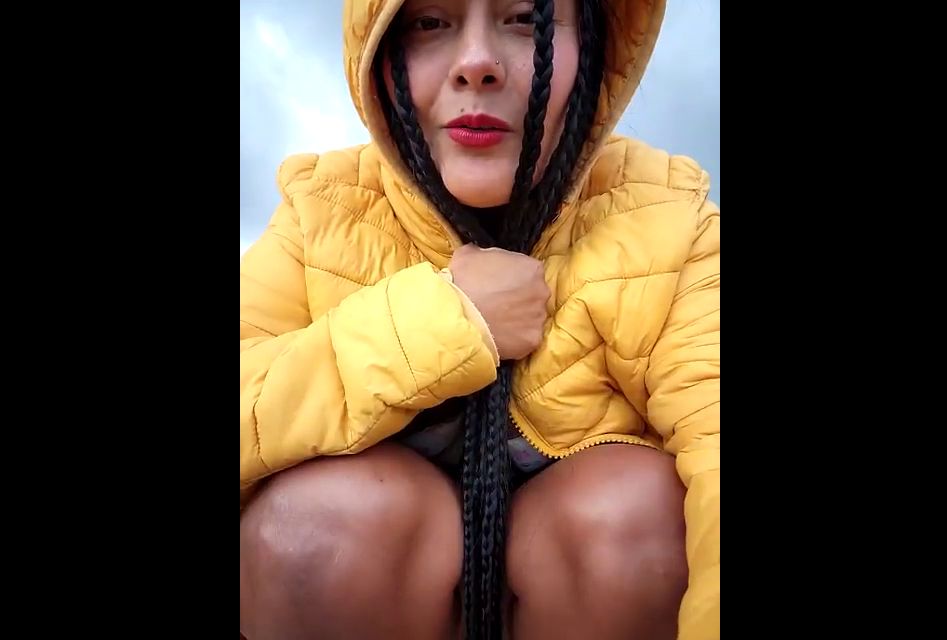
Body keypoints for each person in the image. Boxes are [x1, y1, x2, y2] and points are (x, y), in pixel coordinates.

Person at [239, 0, 719, 638]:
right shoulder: (322, 209)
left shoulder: (667, 215)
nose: (476, 64)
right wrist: (448, 319)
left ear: (595, 45)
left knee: (632, 515)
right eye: (429, 23)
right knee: (319, 527)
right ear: (380, 53)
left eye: (525, 19)